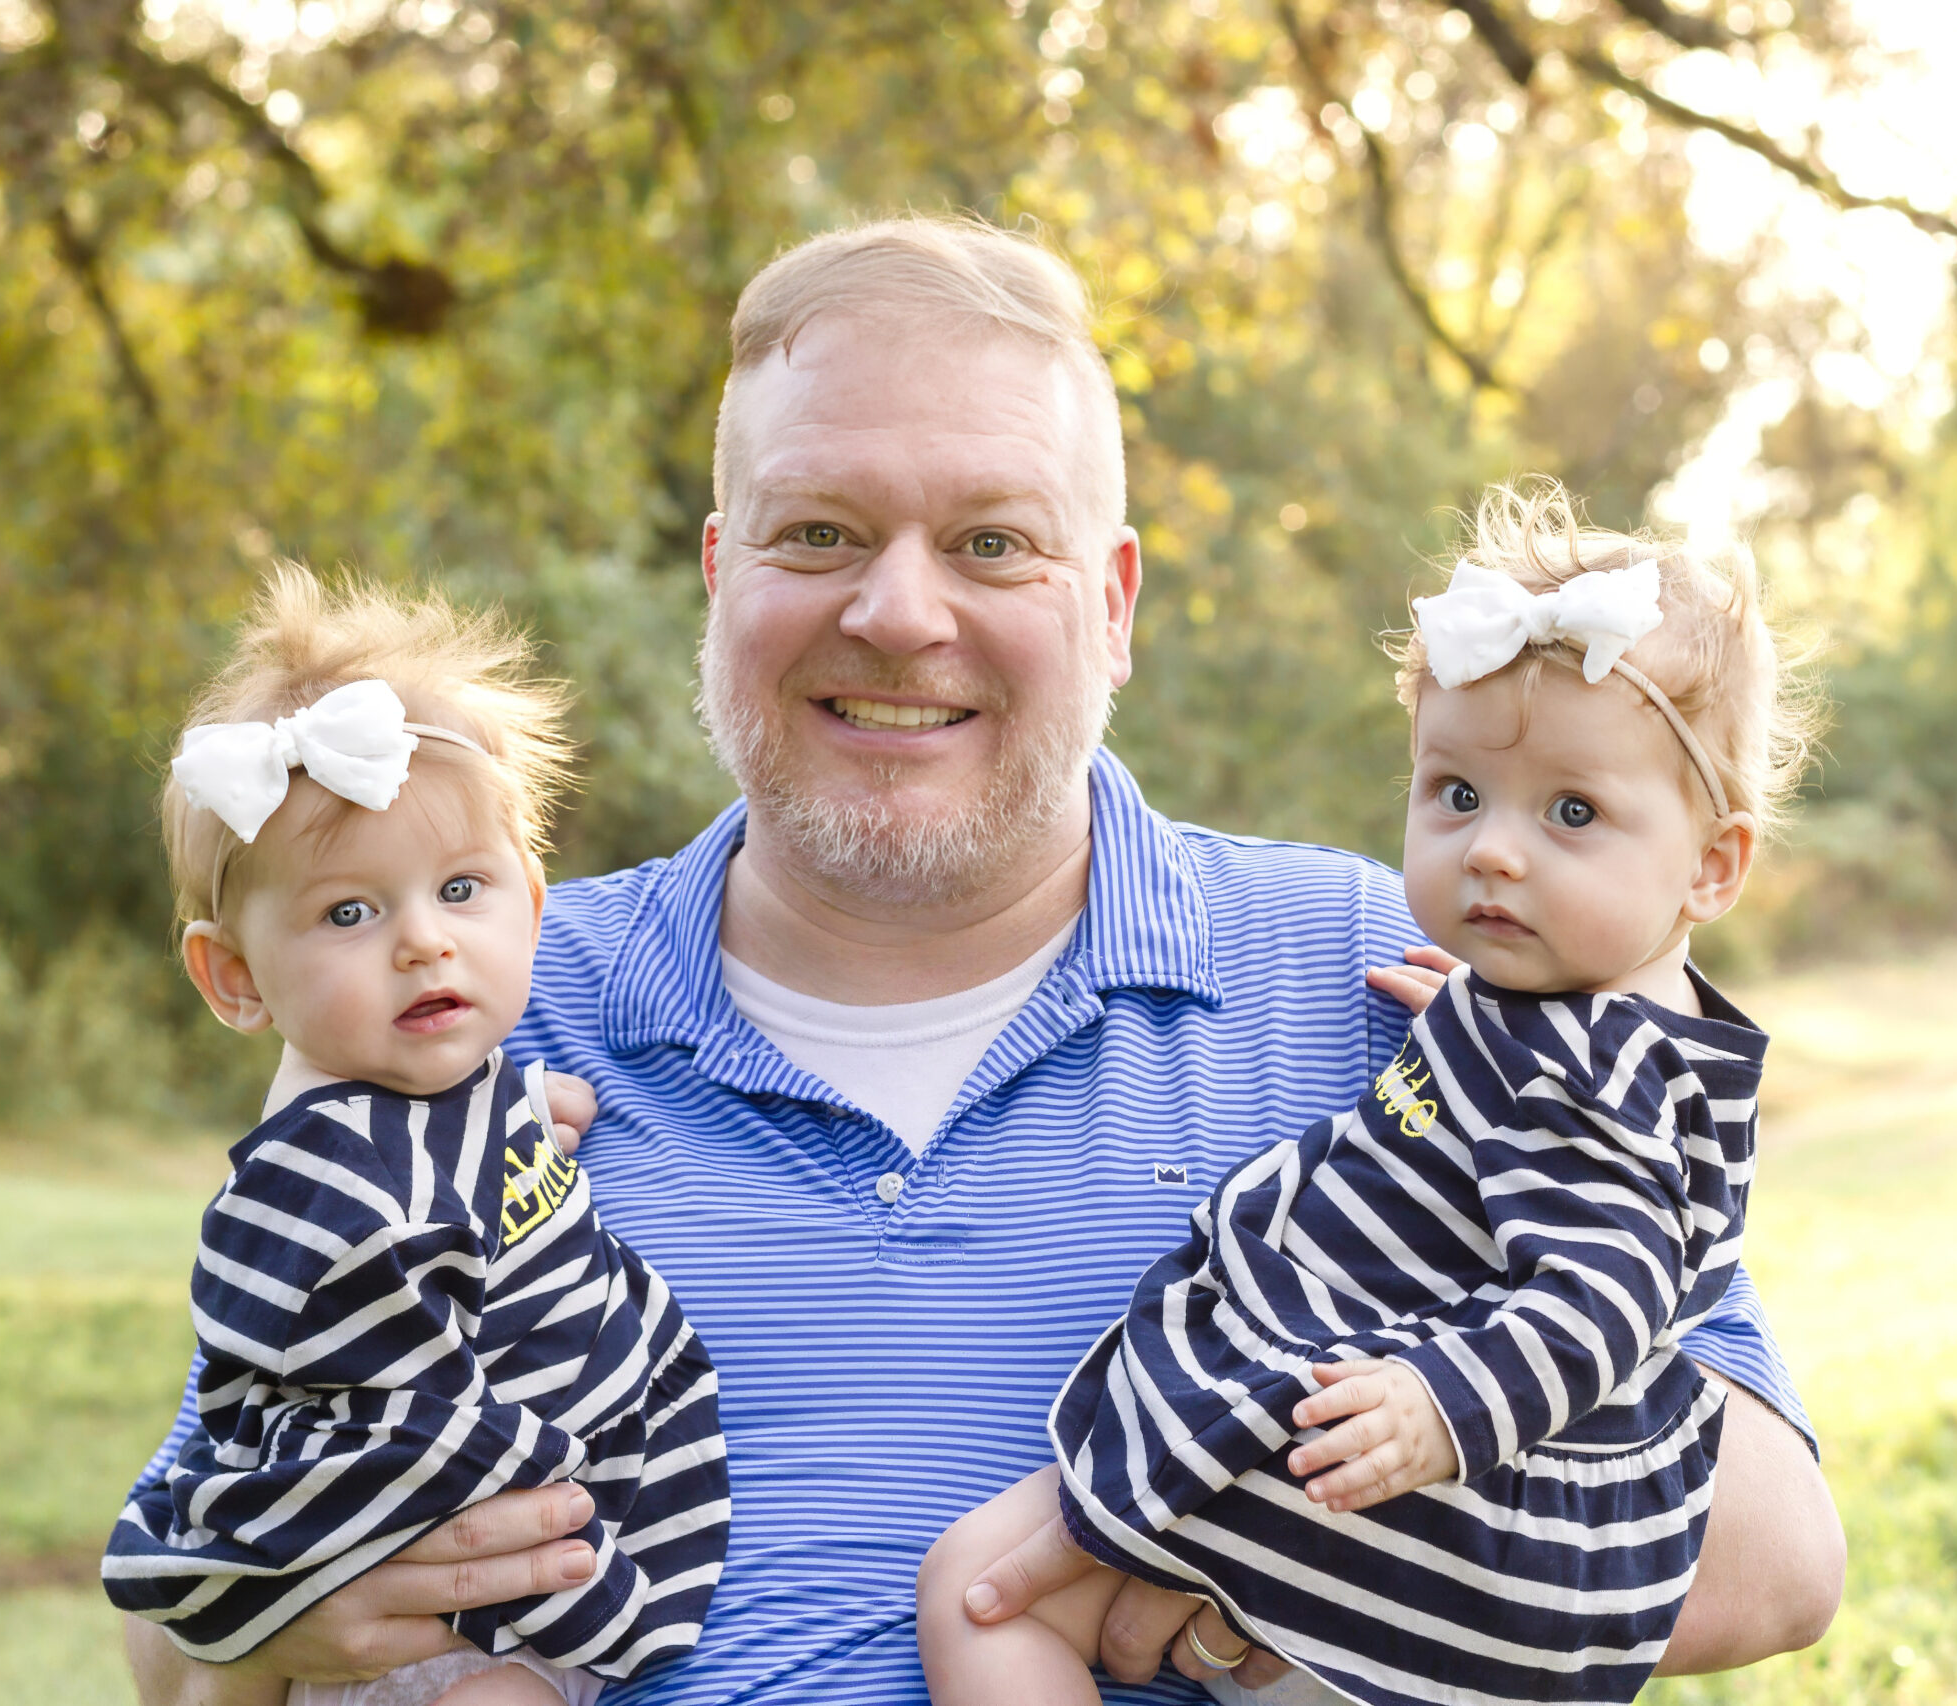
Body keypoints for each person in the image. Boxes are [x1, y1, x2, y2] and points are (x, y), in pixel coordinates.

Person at [125, 216, 1843, 1706]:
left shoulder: (1405, 983)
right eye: (816, 534)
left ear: (1115, 605)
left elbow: (1769, 1553)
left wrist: (1234, 1585)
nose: (897, 611)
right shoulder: (468, 1001)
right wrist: (289, 1614)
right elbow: (183, 1632)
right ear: (721, 582)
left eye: (991, 542)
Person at [919, 481, 1813, 1706]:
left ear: (1711, 866)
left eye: (1571, 812)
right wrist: (1481, 1008)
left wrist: (1436, 1406)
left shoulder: (1593, 1081)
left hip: (1374, 1446)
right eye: (1456, 794)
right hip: (1372, 1447)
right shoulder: (1558, 1024)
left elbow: (1605, 1295)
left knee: (977, 1592)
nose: (1493, 848)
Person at [108, 572, 728, 1706]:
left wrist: (530, 1125)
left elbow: (461, 1189)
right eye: (351, 911)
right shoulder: (317, 1178)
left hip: (510, 1582)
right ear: (234, 976)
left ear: (532, 903)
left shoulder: (445, 1087)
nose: (423, 943)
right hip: (428, 1592)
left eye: (459, 888)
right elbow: (381, 1416)